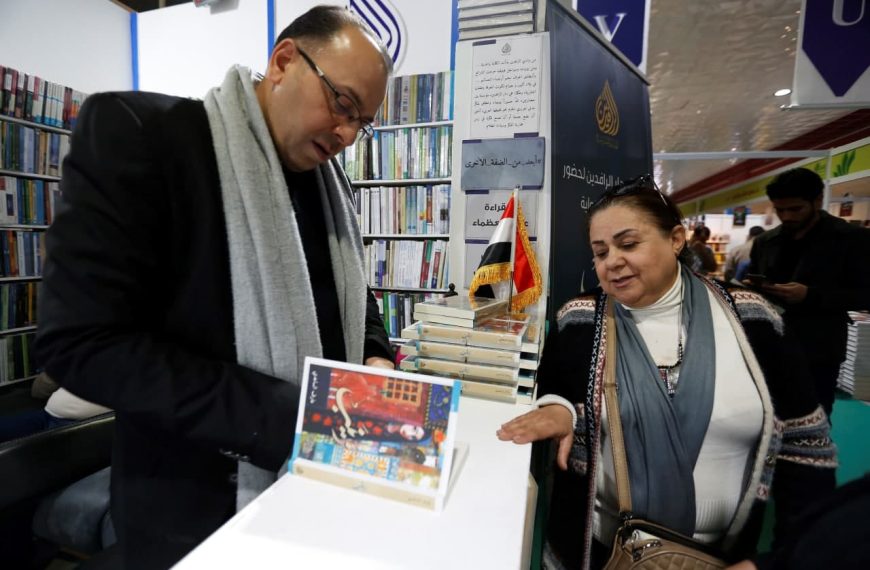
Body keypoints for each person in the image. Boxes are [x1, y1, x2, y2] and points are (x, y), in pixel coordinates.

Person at [35, 6, 395, 569]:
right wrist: (286, 416)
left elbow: (348, 292)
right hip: (193, 512)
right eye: (342, 103)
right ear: (282, 62)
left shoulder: (328, 182)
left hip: (317, 490)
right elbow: (81, 343)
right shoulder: (140, 136)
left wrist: (374, 354)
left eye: (362, 121)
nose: (348, 134)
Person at [496, 175, 836, 569]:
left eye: (628, 244)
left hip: (724, 559)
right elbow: (556, 387)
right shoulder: (580, 320)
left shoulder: (754, 319)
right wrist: (559, 409)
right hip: (602, 554)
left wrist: (783, 558)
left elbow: (806, 449)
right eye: (600, 252)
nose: (612, 262)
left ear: (676, 239)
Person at [748, 167, 870, 418]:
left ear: (817, 201)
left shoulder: (851, 239)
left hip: (819, 349)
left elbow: (865, 294)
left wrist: (812, 296)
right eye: (780, 210)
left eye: (795, 209)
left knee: (815, 417)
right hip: (769, 345)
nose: (786, 216)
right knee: (767, 416)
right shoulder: (765, 242)